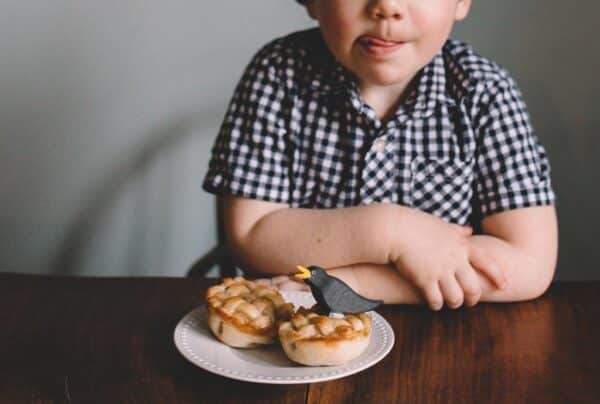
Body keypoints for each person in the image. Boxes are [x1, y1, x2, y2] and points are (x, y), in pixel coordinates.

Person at [202, 0, 558, 310]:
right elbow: (251, 239)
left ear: (461, 1)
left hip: (439, 340)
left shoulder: (486, 93)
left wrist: (353, 284)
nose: (387, 5)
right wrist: (391, 231)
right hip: (295, 324)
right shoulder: (277, 75)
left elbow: (530, 265)